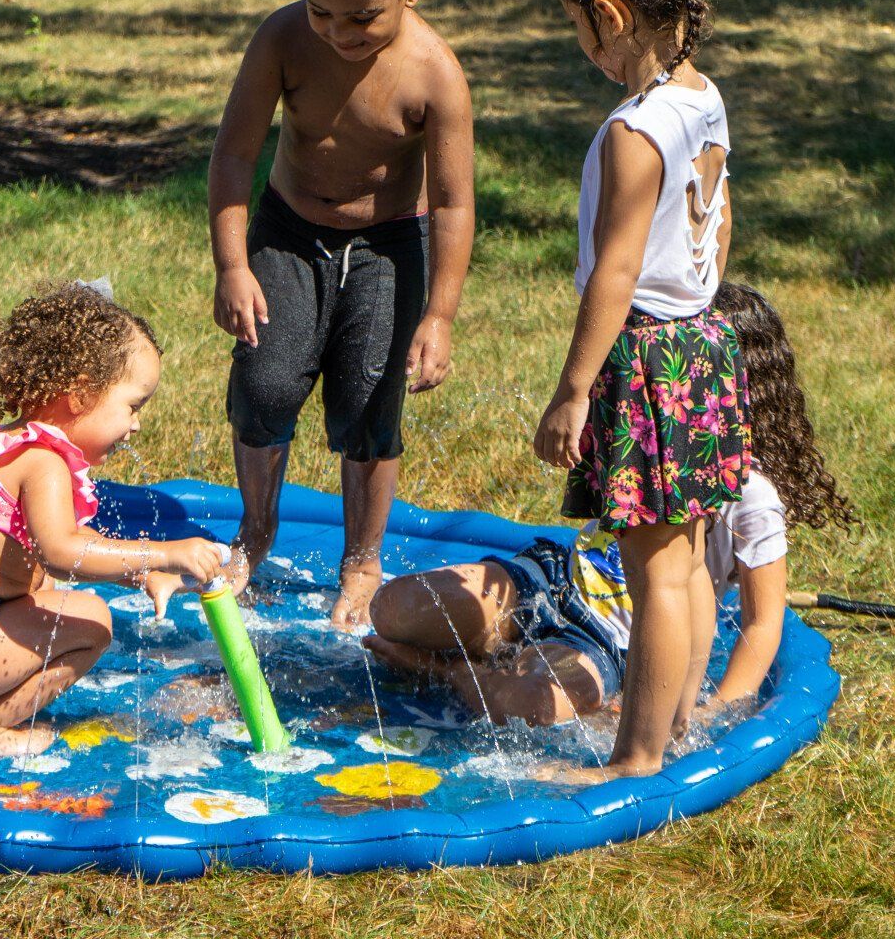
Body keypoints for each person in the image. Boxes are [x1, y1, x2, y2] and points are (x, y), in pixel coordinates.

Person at [362, 282, 859, 738]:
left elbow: (761, 623)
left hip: (607, 641)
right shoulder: (647, 431)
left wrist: (717, 709)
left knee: (534, 708)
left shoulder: (752, 497)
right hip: (553, 580)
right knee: (391, 608)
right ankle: (495, 650)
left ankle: (448, 670)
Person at [208, 0, 476, 630]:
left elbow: (453, 202)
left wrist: (440, 314)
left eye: (362, 17)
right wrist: (234, 264)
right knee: (264, 385)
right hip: (289, 232)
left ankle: (362, 560)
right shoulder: (284, 39)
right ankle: (256, 530)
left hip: (389, 248)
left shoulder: (434, 74)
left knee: (367, 406)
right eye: (322, 10)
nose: (339, 32)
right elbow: (233, 156)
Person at [528, 0, 750, 777]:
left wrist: (574, 389)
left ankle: (637, 758)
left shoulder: (633, 130)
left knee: (654, 567)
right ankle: (678, 718)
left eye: (581, 29)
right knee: (687, 555)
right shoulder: (701, 97)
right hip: (701, 340)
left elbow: (615, 274)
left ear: (611, 15)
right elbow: (720, 219)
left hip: (649, 353)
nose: (585, 49)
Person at [0, 283, 227, 758]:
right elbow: (63, 550)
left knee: (38, 587)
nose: (136, 426)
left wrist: (146, 576)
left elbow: (47, 556)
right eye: (133, 406)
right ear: (79, 397)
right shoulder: (45, 462)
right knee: (92, 620)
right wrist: (168, 551)